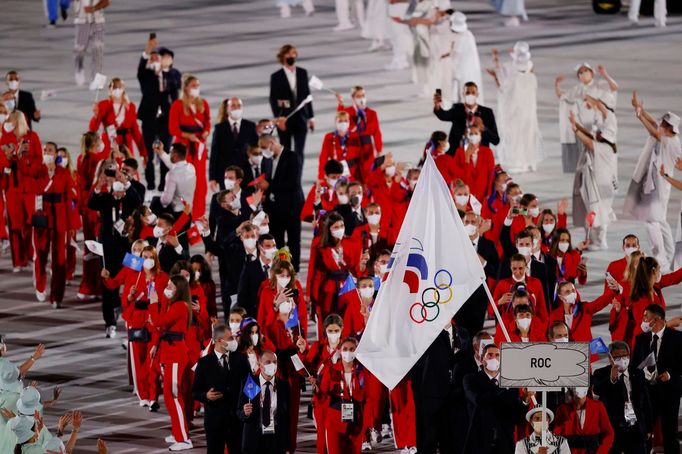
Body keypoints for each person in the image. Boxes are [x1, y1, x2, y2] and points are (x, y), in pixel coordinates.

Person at [623, 92, 681, 272]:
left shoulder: (670, 141)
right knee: (661, 221)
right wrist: (640, 109)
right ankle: (669, 256)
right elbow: (655, 125)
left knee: (651, 221)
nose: (661, 124)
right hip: (654, 184)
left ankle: (661, 259)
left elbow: (654, 132)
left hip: (658, 186)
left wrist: (640, 116)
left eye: (664, 123)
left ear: (670, 128)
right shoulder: (668, 135)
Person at [410, 318, 472, 454]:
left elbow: (468, 363)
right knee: (428, 442)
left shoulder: (463, 333)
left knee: (452, 443)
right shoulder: (426, 334)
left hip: (456, 399)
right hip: (432, 397)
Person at [32, 143, 80, 308]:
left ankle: (56, 296)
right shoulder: (38, 171)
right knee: (41, 255)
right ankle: (40, 284)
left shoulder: (64, 173)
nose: (46, 153)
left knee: (59, 260)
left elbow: (70, 202)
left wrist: (73, 223)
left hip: (60, 219)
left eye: (49, 151)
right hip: (42, 218)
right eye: (44, 150)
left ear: (56, 154)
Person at [569, 92, 618, 250]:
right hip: (597, 183)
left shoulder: (605, 148)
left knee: (598, 212)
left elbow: (589, 142)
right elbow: (589, 135)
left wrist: (575, 130)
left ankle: (599, 241)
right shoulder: (603, 140)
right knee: (592, 211)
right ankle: (591, 239)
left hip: (601, 186)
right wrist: (575, 124)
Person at [149, 274, 193, 451]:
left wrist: (153, 303)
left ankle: (183, 438)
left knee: (174, 396)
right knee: (168, 396)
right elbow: (157, 325)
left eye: (170, 285)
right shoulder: (172, 305)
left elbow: (158, 322)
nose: (167, 288)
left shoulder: (180, 306)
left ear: (179, 289)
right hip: (169, 352)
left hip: (175, 353)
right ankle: (177, 432)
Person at [463, 343, 532, 454]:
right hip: (479, 443)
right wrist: (503, 388)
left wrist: (525, 400)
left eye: (497, 355)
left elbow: (517, 418)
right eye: (489, 355)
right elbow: (478, 400)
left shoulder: (510, 384)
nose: (494, 358)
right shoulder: (470, 379)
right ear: (482, 359)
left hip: (504, 443)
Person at [632, 305, 682, 454]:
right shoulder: (641, 339)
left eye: (646, 317)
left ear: (656, 319)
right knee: (644, 432)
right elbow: (635, 366)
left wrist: (670, 374)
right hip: (647, 395)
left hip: (669, 393)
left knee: (670, 433)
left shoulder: (677, 338)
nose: (643, 320)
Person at [192, 324, 250, 454]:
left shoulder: (240, 359)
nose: (233, 341)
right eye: (230, 338)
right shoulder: (204, 363)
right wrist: (205, 395)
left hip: (236, 419)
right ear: (219, 340)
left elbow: (250, 384)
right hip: (215, 421)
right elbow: (195, 391)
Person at [488, 46, 543, 173]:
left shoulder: (514, 78)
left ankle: (519, 162)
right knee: (527, 134)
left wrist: (495, 76)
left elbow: (503, 89)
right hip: (528, 113)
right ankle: (528, 162)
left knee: (516, 135)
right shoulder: (531, 76)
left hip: (515, 112)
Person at [555, 62, 618, 173]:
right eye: (581, 72)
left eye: (586, 71)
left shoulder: (600, 85)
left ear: (592, 73)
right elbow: (562, 97)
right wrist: (557, 84)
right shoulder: (577, 89)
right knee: (587, 152)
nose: (583, 74)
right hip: (585, 126)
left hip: (600, 125)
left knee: (600, 149)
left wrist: (605, 75)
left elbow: (614, 87)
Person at [592, 340, 653, 454]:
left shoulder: (637, 373)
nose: (622, 359)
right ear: (611, 358)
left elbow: (645, 402)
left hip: (635, 428)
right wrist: (612, 379)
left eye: (624, 355)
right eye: (617, 356)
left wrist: (648, 428)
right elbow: (597, 389)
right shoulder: (601, 373)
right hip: (614, 429)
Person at [0, 112, 43, 273]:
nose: (7, 124)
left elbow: (39, 161)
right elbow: (2, 161)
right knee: (15, 225)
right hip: (12, 188)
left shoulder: (32, 137)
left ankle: (31, 255)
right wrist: (10, 159)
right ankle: (18, 260)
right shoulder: (6, 138)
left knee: (29, 223)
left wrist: (24, 161)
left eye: (10, 121)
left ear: (18, 121)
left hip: (29, 187)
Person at [137, 37, 182, 191]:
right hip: (149, 119)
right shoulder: (146, 76)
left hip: (165, 120)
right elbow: (141, 67)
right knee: (149, 155)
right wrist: (148, 50)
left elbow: (176, 95)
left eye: (158, 57)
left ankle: (163, 185)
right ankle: (150, 185)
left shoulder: (171, 75)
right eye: (152, 57)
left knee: (165, 154)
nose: (155, 59)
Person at [169, 74, 211, 219]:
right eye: (193, 86)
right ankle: (183, 214)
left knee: (200, 182)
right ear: (186, 87)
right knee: (185, 181)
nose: (196, 89)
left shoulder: (203, 104)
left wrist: (206, 132)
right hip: (184, 146)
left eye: (197, 86)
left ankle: (198, 215)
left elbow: (208, 122)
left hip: (199, 147)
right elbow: (172, 128)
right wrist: (188, 136)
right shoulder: (178, 105)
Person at [260, 134, 304, 270]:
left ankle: (294, 269)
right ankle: (279, 267)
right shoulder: (266, 160)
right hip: (274, 209)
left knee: (293, 241)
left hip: (292, 207)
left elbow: (293, 184)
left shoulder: (292, 157)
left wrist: (270, 186)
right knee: (276, 241)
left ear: (272, 142)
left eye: (264, 147)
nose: (263, 151)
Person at [319, 337, 367, 454]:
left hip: (356, 421)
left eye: (352, 349)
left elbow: (367, 397)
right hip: (334, 421)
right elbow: (322, 394)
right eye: (345, 349)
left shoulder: (362, 371)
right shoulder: (331, 370)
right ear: (340, 351)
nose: (348, 352)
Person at [269, 44, 315, 168]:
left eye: (294, 53)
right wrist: (279, 119)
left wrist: (311, 117)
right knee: (286, 151)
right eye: (289, 54)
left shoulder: (302, 73)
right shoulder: (276, 76)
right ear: (283, 56)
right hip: (285, 120)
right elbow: (273, 100)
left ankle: (297, 180)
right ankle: (287, 177)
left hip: (301, 118)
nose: (291, 56)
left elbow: (307, 95)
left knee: (299, 152)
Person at [238, 350, 292, 454]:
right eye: (267, 362)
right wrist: (245, 412)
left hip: (276, 440)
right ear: (259, 364)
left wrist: (287, 446)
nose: (272, 365)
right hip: (254, 440)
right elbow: (239, 411)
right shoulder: (250, 383)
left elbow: (287, 418)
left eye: (275, 362)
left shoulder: (283, 386)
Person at [75, 132, 106, 299]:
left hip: (85, 208)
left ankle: (88, 286)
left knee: (90, 247)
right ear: (95, 143)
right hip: (95, 208)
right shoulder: (97, 160)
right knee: (99, 247)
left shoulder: (81, 158)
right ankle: (98, 287)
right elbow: (98, 185)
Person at [89, 78, 147, 161]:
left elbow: (136, 132)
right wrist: (95, 115)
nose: (117, 90)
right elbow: (93, 129)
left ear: (123, 89)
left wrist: (143, 153)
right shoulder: (103, 105)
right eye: (114, 87)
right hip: (109, 144)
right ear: (110, 89)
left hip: (126, 146)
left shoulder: (130, 107)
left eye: (119, 87)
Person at [433, 81, 499, 153]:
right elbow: (444, 116)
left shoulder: (487, 113)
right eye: (467, 93)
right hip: (458, 153)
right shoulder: (457, 109)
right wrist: (437, 106)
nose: (470, 95)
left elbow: (496, 140)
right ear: (463, 94)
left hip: (479, 155)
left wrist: (483, 128)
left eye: (473, 93)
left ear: (477, 94)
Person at [209, 97, 259, 193]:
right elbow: (214, 153)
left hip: (246, 174)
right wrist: (212, 178)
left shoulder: (250, 126)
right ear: (227, 109)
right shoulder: (220, 128)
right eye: (233, 106)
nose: (236, 108)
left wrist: (258, 175)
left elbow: (256, 151)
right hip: (226, 174)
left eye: (239, 105)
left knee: (247, 203)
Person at [439, 12, 482, 105]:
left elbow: (457, 58)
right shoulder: (468, 34)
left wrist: (453, 74)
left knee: (462, 95)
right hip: (471, 69)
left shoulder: (460, 38)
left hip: (462, 72)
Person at [554, 387, 614, 454]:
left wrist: (602, 451)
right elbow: (557, 436)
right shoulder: (563, 409)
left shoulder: (598, 407)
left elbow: (609, 433)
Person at [151, 143, 196, 218]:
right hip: (188, 215)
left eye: (170, 152)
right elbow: (175, 165)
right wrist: (161, 153)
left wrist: (160, 198)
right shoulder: (191, 168)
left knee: (155, 201)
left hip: (175, 216)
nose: (169, 154)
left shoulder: (172, 174)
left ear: (175, 155)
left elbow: (166, 200)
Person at [237, 234, 277, 317]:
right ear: (260, 247)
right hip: (256, 314)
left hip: (275, 315)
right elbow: (242, 296)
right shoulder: (249, 267)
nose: (272, 249)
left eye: (274, 246)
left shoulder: (280, 267)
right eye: (268, 246)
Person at [73, 0, 111, 86]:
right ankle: (79, 69)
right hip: (82, 21)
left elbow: (107, 2)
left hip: (98, 21)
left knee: (98, 48)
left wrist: (94, 8)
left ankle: (97, 78)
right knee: (80, 49)